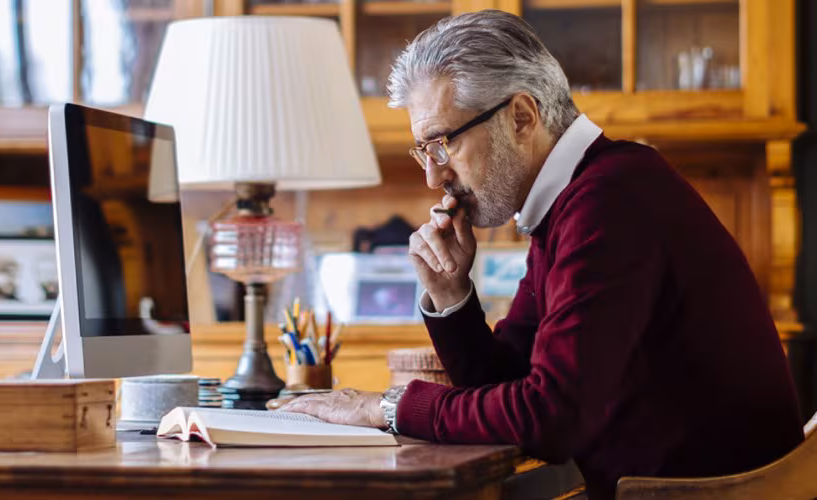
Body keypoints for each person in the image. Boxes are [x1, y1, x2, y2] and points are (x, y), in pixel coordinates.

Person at [279, 10, 803, 499]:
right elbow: (510, 386)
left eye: (443, 145)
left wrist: (381, 407)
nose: (434, 176)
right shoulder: (576, 201)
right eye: (424, 152)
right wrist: (453, 297)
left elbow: (550, 418)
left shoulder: (609, 201)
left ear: (522, 117)